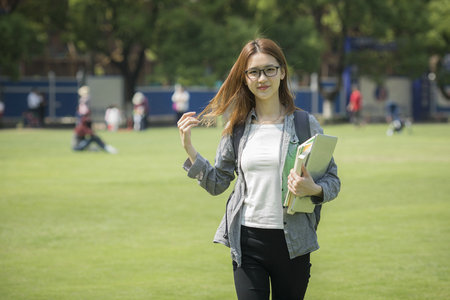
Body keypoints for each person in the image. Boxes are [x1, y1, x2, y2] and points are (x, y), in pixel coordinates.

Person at [177, 38, 340, 300]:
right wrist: (190, 149)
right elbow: (218, 182)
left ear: (282, 72)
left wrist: (315, 189)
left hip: (293, 243)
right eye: (253, 71)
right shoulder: (237, 128)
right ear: (245, 78)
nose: (262, 78)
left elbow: (333, 180)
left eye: (269, 70)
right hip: (247, 241)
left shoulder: (304, 124)